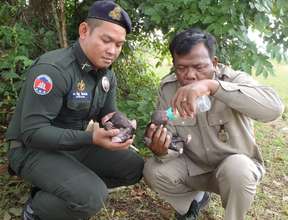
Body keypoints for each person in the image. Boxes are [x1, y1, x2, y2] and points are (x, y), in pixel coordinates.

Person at [5, 1, 144, 220]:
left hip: (74, 145)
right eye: (106, 40)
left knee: (134, 167)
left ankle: (61, 188)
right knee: (91, 197)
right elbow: (32, 133)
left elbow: (108, 115)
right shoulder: (53, 70)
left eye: (119, 45)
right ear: (84, 31)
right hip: (31, 149)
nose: (112, 51)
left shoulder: (107, 75)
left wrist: (120, 124)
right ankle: (36, 210)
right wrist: (91, 139)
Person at [143, 28, 284, 220]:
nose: (190, 75)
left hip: (233, 170)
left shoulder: (233, 80)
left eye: (199, 67)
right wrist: (162, 150)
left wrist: (212, 87)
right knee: (154, 169)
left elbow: (274, 108)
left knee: (238, 169)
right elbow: (171, 142)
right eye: (181, 68)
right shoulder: (169, 90)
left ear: (214, 63)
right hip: (194, 168)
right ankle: (191, 205)